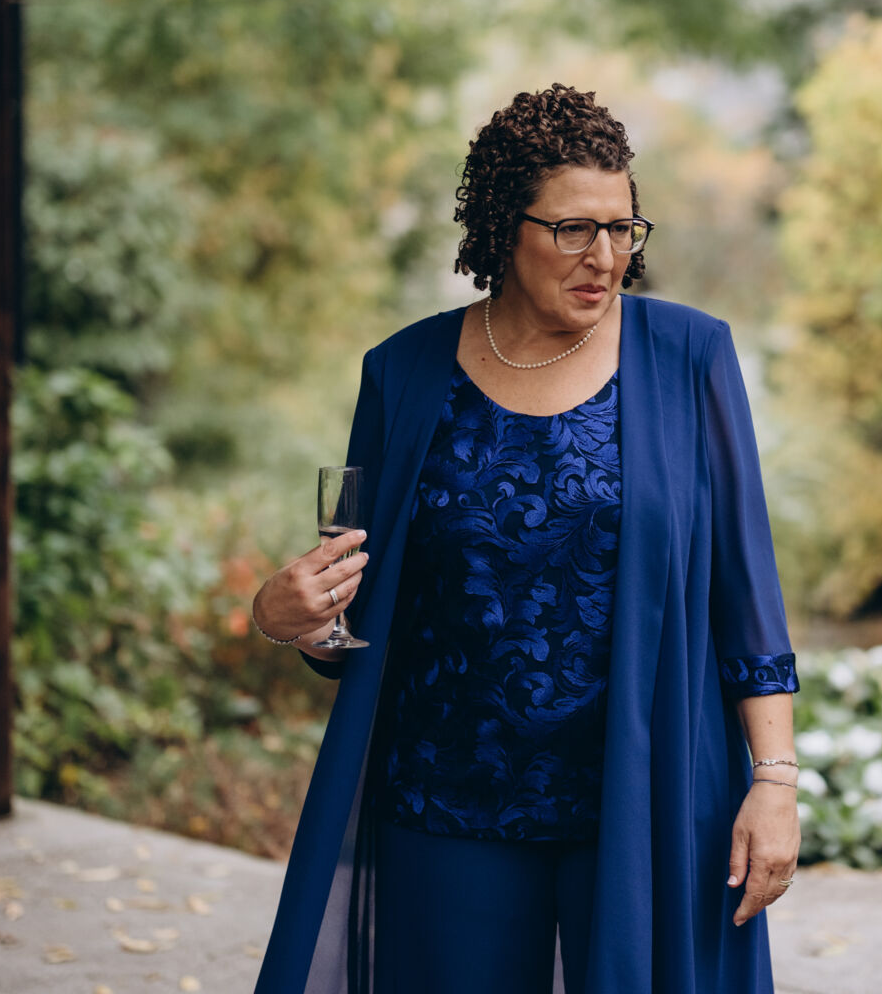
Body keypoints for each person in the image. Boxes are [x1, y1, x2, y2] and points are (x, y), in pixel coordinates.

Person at [249, 84, 802, 994]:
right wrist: (288, 617)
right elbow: (356, 619)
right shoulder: (402, 373)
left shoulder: (690, 357)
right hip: (446, 799)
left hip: (647, 794)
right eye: (573, 230)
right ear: (504, 227)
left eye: (622, 229)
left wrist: (774, 783)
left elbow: (747, 595)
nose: (606, 258)